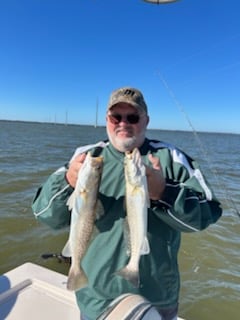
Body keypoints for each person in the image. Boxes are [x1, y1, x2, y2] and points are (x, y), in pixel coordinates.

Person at [32, 87, 222, 320]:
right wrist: (68, 181)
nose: (123, 123)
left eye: (132, 117)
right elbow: (45, 214)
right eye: (116, 117)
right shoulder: (86, 157)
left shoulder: (170, 158)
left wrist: (164, 192)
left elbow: (206, 216)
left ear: (146, 120)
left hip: (156, 300)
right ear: (107, 120)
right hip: (95, 300)